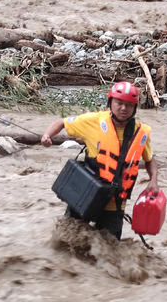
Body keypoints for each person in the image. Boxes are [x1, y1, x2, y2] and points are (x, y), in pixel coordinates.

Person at [41, 81, 159, 240]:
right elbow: (61, 123)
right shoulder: (93, 121)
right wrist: (47, 136)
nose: (123, 108)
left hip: (115, 203)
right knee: (66, 239)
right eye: (119, 103)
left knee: (109, 250)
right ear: (110, 102)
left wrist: (153, 180)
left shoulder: (141, 133)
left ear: (135, 108)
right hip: (86, 194)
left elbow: (150, 159)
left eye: (129, 105)